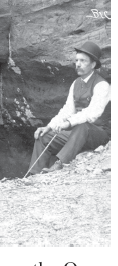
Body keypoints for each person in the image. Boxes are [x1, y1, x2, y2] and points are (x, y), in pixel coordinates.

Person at [28, 41, 111, 174]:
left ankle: (60, 164)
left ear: (93, 64)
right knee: (43, 136)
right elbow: (67, 110)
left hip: (99, 134)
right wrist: (49, 127)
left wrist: (69, 123)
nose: (78, 64)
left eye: (83, 61)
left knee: (83, 125)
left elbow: (92, 114)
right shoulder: (75, 83)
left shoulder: (102, 85)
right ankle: (33, 174)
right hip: (77, 135)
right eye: (77, 60)